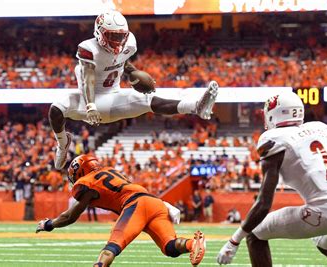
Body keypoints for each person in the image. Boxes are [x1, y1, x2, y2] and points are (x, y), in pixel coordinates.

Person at [217, 91, 327, 266]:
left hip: (323, 214)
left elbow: (264, 204)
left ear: (273, 115)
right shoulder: (318, 131)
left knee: (254, 234)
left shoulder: (274, 140)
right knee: (325, 244)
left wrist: (234, 241)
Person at [49, 10, 219, 169]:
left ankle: (197, 107)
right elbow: (88, 79)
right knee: (56, 109)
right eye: (113, 36)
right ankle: (62, 143)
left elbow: (121, 61)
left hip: (114, 97)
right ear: (99, 33)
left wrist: (133, 73)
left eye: (120, 36)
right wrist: (91, 105)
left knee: (149, 100)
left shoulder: (129, 43)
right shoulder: (88, 48)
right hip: (88, 100)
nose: (117, 41)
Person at [36, 154, 205, 266]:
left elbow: (70, 216)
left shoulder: (87, 182)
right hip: (155, 202)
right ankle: (193, 244)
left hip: (135, 205)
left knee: (112, 246)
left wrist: (49, 224)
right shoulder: (111, 171)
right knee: (170, 247)